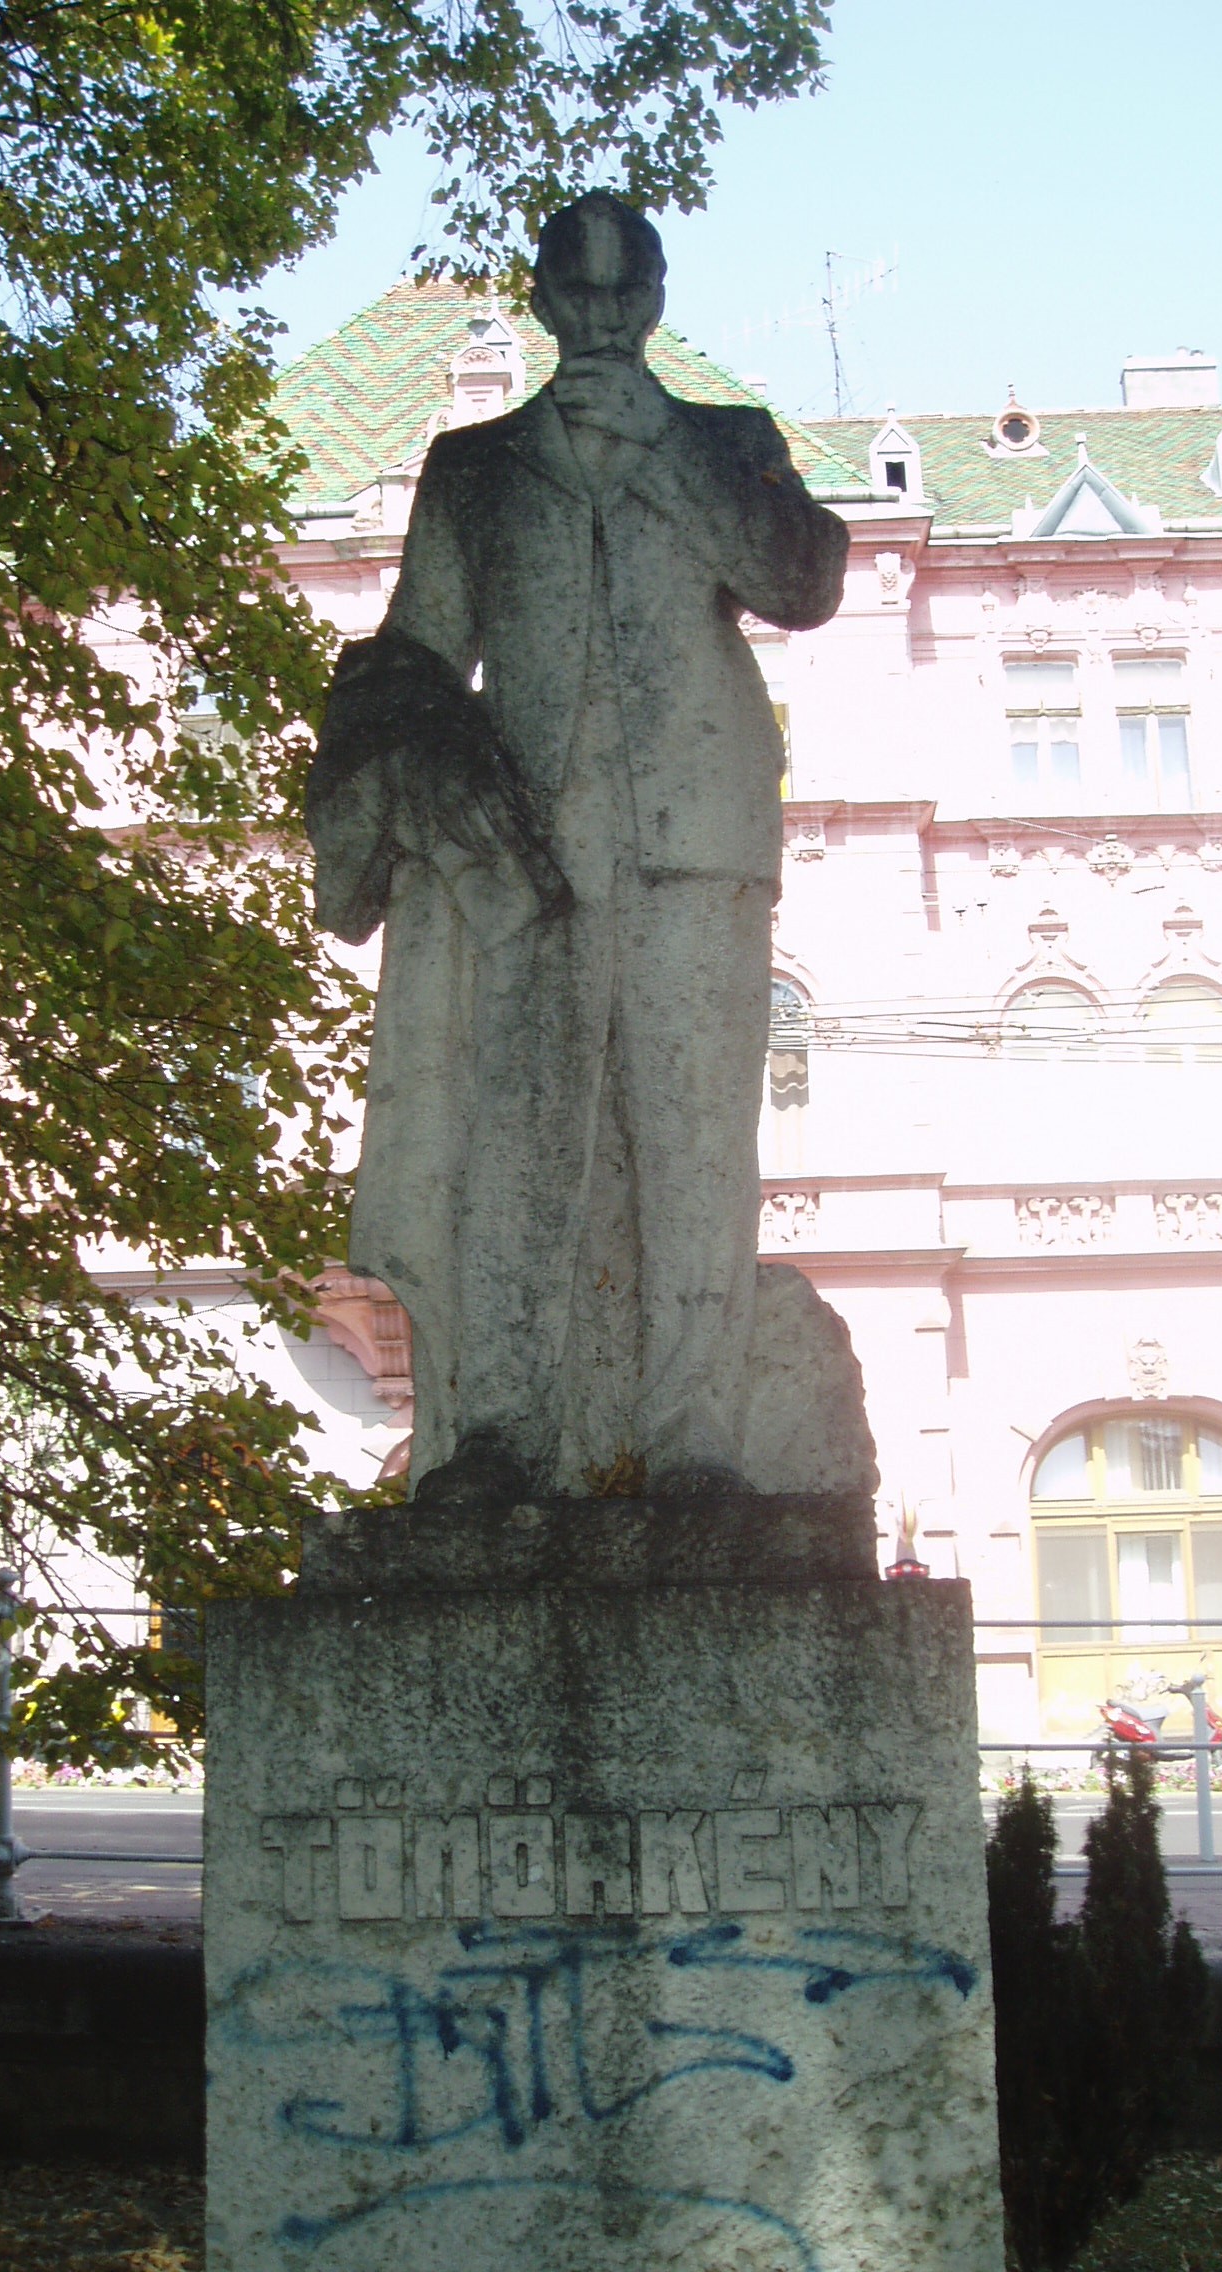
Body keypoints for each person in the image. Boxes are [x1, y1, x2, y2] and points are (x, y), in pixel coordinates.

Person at [307, 191, 848, 1504]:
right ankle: (503, 1434)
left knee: (695, 1145)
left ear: (655, 299)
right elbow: (421, 647)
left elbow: (804, 580)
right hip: (523, 863)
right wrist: (398, 734)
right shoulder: (475, 467)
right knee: (518, 1141)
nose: (603, 312)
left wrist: (664, 447)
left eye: (626, 288)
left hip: (698, 842)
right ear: (545, 300)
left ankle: (692, 1439)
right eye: (579, 287)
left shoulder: (727, 439)